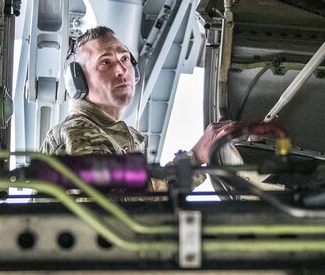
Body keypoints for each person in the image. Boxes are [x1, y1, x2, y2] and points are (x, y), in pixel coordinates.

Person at [41, 26, 241, 168]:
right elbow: (122, 204)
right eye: (106, 62)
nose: (121, 69)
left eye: (125, 58)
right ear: (78, 81)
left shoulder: (123, 136)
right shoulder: (77, 133)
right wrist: (196, 157)